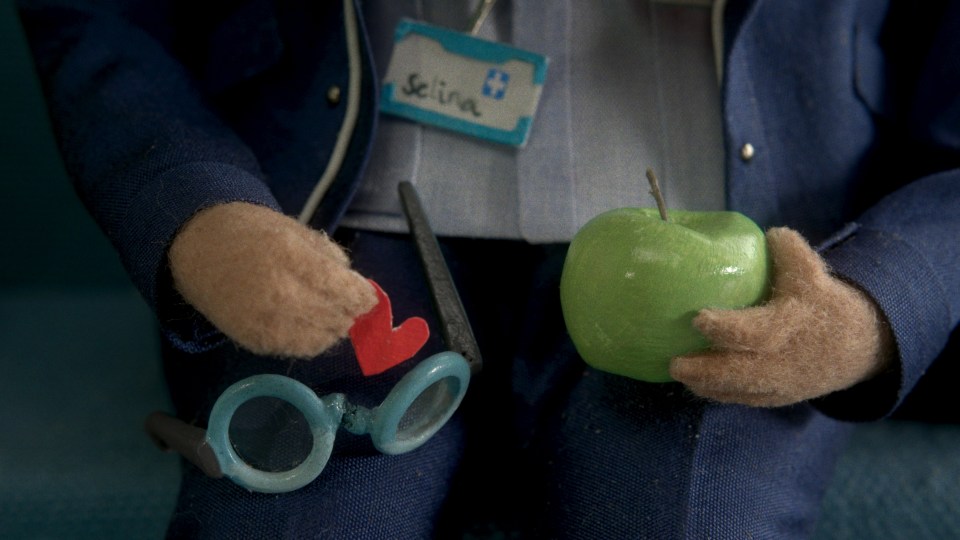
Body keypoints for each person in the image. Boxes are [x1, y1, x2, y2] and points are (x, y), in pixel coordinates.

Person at [17, 0, 959, 537]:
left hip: (735, 249)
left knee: (687, 520)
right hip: (341, 207)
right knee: (301, 521)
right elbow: (104, 15)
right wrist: (196, 208)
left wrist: (879, 300)